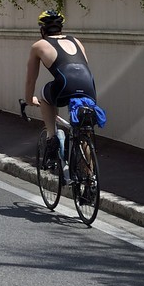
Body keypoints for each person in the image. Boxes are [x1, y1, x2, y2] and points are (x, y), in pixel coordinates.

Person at [24, 9, 96, 182]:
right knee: (82, 131)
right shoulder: (76, 41)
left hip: (64, 85)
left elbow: (30, 80)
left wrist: (28, 100)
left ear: (42, 29)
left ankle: (52, 137)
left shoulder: (39, 45)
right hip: (89, 86)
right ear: (61, 28)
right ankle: (89, 181)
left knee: (44, 95)